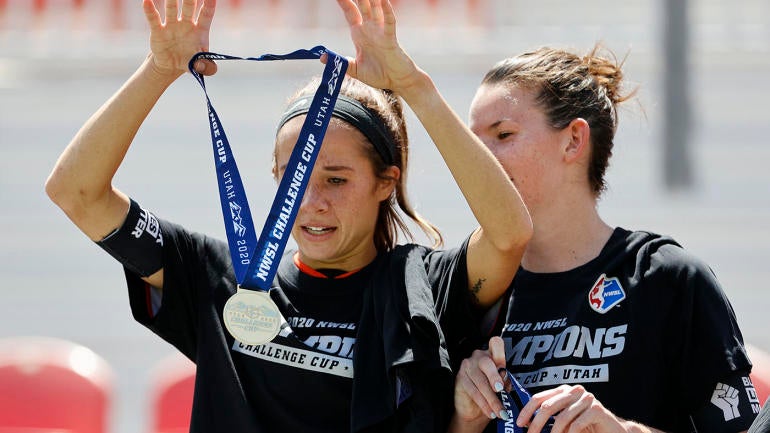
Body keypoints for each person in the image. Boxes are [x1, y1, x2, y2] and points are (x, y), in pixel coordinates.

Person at [45, 0, 531, 432]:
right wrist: (158, 69)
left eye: (336, 180)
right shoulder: (219, 277)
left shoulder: (421, 284)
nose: (311, 202)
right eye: (293, 179)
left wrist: (414, 88)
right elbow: (76, 192)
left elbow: (510, 234)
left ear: (386, 181)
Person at [449, 45, 759, 433]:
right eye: (472, 142)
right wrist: (462, 421)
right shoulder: (458, 288)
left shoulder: (667, 278)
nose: (479, 159)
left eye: (503, 135)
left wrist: (620, 430)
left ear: (574, 140)